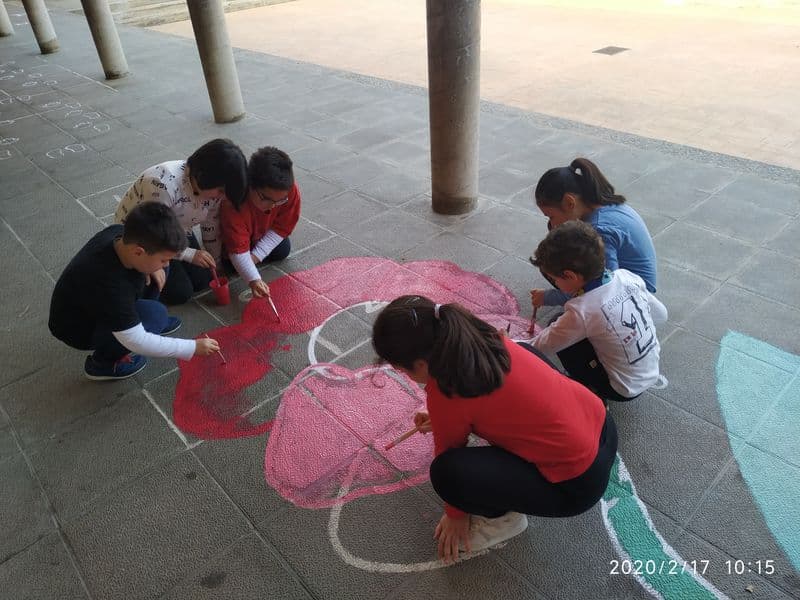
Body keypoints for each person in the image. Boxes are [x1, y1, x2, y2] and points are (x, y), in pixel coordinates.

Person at [372, 295, 616, 563]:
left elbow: (448, 454)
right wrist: (444, 418)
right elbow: (503, 399)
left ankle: (503, 522)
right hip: (602, 426)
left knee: (447, 473)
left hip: (578, 486)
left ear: (420, 364)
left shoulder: (446, 391)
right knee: (529, 356)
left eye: (403, 370)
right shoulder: (488, 340)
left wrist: (457, 513)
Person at [49, 202, 220, 381]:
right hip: (80, 328)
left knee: (160, 272)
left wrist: (156, 266)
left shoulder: (119, 234)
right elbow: (137, 340)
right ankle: (103, 363)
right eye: (163, 259)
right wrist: (192, 348)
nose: (167, 262)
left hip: (99, 300)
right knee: (155, 316)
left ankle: (147, 321)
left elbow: (152, 263)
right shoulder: (111, 286)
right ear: (139, 252)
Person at [530, 221, 667, 402]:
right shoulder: (626, 277)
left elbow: (539, 347)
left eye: (554, 279)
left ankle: (593, 393)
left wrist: (506, 343)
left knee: (561, 329)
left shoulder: (582, 310)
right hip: (650, 370)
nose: (555, 284)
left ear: (570, 275)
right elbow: (661, 315)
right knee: (578, 325)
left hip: (620, 388)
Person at [115, 138, 248, 305]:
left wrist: (216, 262)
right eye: (220, 191)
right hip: (144, 237)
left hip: (177, 229)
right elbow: (154, 233)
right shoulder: (161, 183)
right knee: (180, 292)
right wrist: (189, 254)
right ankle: (134, 281)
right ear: (203, 175)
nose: (221, 197)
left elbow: (211, 226)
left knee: (204, 279)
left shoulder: (214, 191)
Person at [530, 157, 657, 310]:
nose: (552, 225)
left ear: (570, 202)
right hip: (630, 282)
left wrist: (548, 297)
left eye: (551, 216)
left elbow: (604, 288)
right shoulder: (605, 204)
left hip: (637, 298)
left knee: (564, 326)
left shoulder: (598, 231)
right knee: (551, 261)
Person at [220, 146, 300, 299]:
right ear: (250, 185)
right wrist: (254, 280)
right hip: (233, 240)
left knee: (282, 249)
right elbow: (237, 250)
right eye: (266, 199)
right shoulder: (233, 203)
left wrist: (255, 257)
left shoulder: (288, 191)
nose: (272, 206)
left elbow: (282, 227)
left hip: (257, 235)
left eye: (280, 201)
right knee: (233, 263)